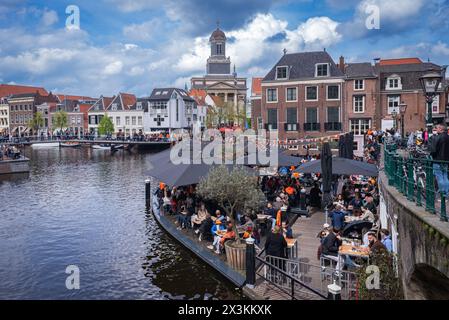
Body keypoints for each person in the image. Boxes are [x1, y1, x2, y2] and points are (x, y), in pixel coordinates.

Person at [429, 123, 449, 197]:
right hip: (446, 160)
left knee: (440, 177)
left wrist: (432, 156)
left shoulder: (437, 138)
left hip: (438, 160)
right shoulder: (448, 137)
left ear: (441, 129)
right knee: (445, 176)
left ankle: (442, 194)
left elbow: (433, 150)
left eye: (437, 128)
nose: (436, 129)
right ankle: (446, 194)